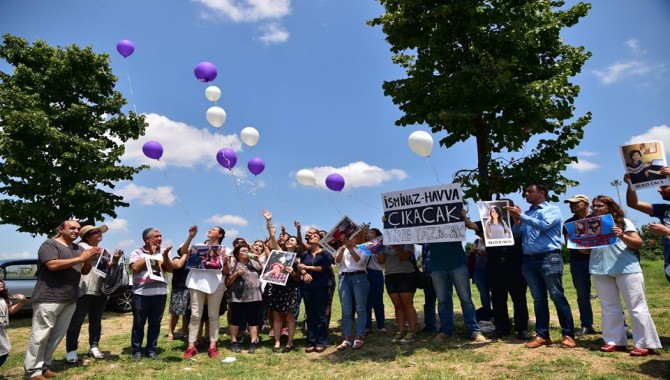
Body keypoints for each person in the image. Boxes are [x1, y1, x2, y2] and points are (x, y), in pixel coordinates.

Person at [579, 195, 662, 356]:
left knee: (637, 307)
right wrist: (577, 243)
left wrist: (622, 235)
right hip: (600, 269)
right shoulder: (590, 226)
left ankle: (645, 343)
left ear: (609, 207)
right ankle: (614, 341)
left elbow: (638, 244)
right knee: (609, 307)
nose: (596, 209)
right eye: (594, 206)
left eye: (600, 206)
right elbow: (586, 251)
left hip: (626, 268)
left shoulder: (623, 222)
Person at [24, 220, 98, 379]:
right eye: (72, 228)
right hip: (48, 296)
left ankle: (44, 366)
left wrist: (88, 258)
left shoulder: (77, 248)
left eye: (78, 229)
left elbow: (84, 271)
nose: (76, 231)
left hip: (69, 297)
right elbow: (52, 265)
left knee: (56, 335)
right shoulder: (49, 245)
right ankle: (32, 372)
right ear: (61, 229)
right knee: (40, 335)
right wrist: (81, 258)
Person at [505, 183, 575, 349]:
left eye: (529, 191)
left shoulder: (552, 210)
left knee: (557, 296)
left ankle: (568, 335)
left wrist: (522, 216)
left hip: (549, 258)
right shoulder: (527, 214)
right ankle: (542, 335)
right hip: (529, 260)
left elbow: (544, 226)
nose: (526, 194)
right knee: (538, 299)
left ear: (542, 193)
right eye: (525, 191)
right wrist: (516, 222)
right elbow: (515, 235)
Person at [65, 224, 122, 362]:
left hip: (101, 288)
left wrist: (114, 258)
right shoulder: (78, 247)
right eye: (95, 232)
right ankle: (71, 350)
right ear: (87, 236)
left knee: (96, 320)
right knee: (77, 320)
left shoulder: (105, 250)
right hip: (84, 287)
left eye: (99, 232)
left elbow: (108, 268)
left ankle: (94, 346)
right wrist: (89, 255)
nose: (99, 234)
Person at [181, 226, 227, 359]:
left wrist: (226, 260)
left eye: (213, 229)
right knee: (195, 314)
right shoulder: (198, 246)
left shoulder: (225, 249)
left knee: (213, 315)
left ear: (220, 235)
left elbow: (226, 270)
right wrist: (190, 236)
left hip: (216, 283)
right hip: (196, 282)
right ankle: (191, 346)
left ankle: (213, 346)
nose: (210, 230)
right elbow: (183, 251)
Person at [129, 228, 174, 361]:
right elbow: (135, 268)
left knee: (155, 323)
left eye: (161, 236)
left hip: (160, 293)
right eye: (156, 236)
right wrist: (150, 255)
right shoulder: (137, 252)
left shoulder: (163, 252)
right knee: (139, 323)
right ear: (147, 239)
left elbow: (170, 269)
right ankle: (136, 350)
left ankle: (151, 350)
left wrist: (165, 256)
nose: (160, 238)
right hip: (141, 293)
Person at [624, 167, 670, 283]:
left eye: (664, 186)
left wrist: (667, 232)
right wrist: (631, 184)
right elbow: (633, 203)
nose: (659, 190)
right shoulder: (663, 209)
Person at [561, 194, 597, 337]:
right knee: (582, 295)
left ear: (586, 203)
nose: (572, 205)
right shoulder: (568, 223)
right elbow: (568, 243)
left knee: (609, 293)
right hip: (578, 261)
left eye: (576, 203)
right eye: (570, 203)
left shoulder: (597, 218)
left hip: (599, 259)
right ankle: (586, 325)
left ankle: (620, 325)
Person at [298, 229, 333, 353]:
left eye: (315, 235)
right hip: (308, 287)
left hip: (322, 286)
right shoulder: (304, 254)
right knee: (310, 314)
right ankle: (310, 341)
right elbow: (300, 266)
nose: (312, 237)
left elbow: (325, 267)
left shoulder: (325, 253)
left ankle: (321, 341)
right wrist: (304, 273)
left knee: (321, 314)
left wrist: (308, 267)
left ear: (320, 239)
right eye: (310, 236)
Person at [226, 243, 263, 354]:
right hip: (237, 297)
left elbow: (266, 271)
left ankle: (253, 342)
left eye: (247, 250)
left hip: (254, 297)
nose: (246, 251)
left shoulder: (255, 264)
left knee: (253, 320)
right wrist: (236, 274)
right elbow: (228, 282)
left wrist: (258, 259)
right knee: (235, 320)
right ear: (237, 254)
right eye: (243, 250)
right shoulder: (233, 265)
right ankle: (233, 341)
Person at [378, 243, 419, 344]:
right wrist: (380, 249)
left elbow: (404, 257)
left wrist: (396, 246)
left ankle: (412, 331)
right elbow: (381, 261)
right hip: (390, 276)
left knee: (407, 304)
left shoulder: (407, 241)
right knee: (397, 305)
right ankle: (400, 330)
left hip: (406, 274)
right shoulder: (384, 243)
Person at [335, 234, 370, 350]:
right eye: (348, 237)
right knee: (346, 310)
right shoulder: (342, 249)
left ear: (357, 238)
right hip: (344, 278)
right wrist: (343, 248)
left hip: (359, 276)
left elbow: (360, 263)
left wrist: (350, 249)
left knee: (360, 308)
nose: (350, 239)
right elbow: (338, 262)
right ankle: (346, 338)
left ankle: (359, 336)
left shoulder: (362, 249)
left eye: (353, 237)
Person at [363, 228, 386, 335]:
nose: (369, 234)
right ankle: (367, 326)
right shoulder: (362, 246)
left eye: (372, 232)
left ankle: (381, 325)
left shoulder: (381, 244)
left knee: (378, 300)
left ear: (377, 235)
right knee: (366, 301)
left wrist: (378, 249)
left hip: (376, 273)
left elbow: (381, 261)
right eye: (368, 232)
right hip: (364, 274)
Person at [167, 241, 191, 343]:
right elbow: (178, 265)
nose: (189, 251)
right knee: (175, 312)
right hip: (179, 288)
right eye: (186, 249)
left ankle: (184, 332)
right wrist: (185, 255)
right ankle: (170, 332)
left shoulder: (193, 262)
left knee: (186, 313)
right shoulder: (176, 259)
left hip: (190, 288)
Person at [0, 278, 27, 368]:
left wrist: (21, 302)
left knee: (5, 350)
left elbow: (11, 310)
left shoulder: (3, 297)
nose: (0, 283)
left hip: (2, 330)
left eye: (0, 281)